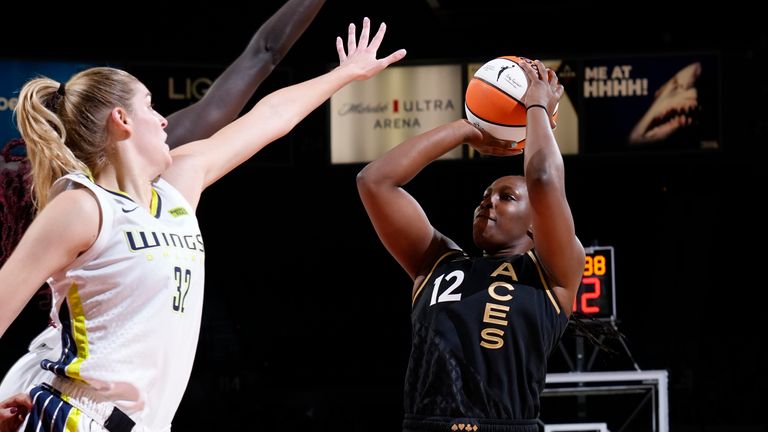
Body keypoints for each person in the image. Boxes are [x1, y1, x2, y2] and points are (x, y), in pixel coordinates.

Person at [0, 16, 405, 432]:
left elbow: (271, 117)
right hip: (76, 418)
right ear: (121, 119)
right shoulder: (83, 207)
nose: (163, 120)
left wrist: (343, 75)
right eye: (151, 105)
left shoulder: (179, 186)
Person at [356, 58, 584, 432]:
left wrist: (537, 106)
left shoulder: (551, 273)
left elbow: (543, 177)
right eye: (485, 195)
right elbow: (374, 181)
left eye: (506, 197)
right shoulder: (437, 264)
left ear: (536, 225)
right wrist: (465, 129)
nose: (487, 201)